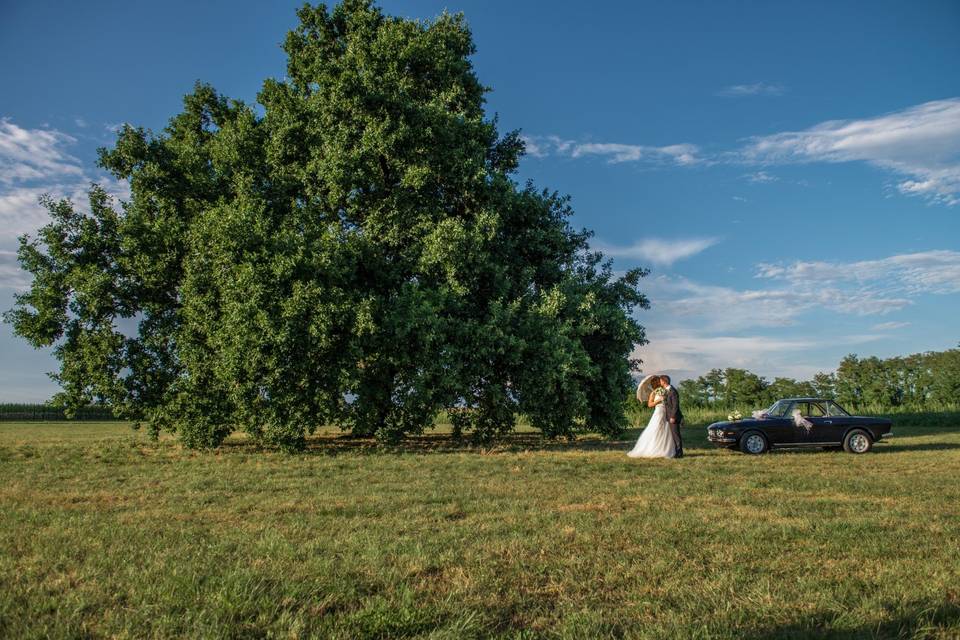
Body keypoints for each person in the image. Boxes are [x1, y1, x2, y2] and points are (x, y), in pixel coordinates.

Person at [626, 375, 677, 458]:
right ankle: (654, 448)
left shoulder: (665, 390)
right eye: (657, 381)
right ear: (655, 383)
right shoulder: (653, 393)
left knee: (666, 429)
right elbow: (650, 405)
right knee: (656, 428)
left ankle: (665, 449)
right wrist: (658, 400)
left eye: (659, 381)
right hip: (658, 412)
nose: (659, 382)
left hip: (666, 412)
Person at [660, 374, 684, 458]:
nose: (660, 382)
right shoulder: (666, 391)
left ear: (664, 381)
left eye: (661, 381)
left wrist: (673, 416)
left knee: (676, 435)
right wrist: (664, 399)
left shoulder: (673, 391)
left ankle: (679, 453)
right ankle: (675, 452)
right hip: (669, 416)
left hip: (673, 417)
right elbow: (668, 404)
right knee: (673, 435)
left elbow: (675, 405)